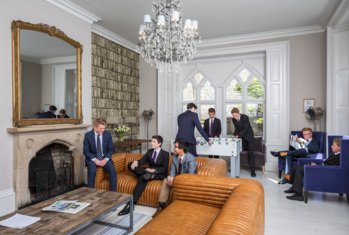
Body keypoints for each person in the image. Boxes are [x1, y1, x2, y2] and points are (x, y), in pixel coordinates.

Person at [118, 135, 170, 216]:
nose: (151, 143)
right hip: (147, 172)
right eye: (151, 141)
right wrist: (136, 163)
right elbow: (142, 161)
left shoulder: (165, 154)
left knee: (143, 177)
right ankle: (145, 173)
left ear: (159, 143)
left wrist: (154, 170)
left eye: (154, 142)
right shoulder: (150, 151)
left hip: (157, 174)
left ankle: (131, 204)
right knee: (130, 164)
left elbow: (164, 168)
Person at [153, 139, 197, 217]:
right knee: (166, 180)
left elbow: (191, 175)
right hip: (176, 179)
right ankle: (161, 206)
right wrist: (170, 177)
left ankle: (175, 211)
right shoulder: (175, 157)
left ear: (182, 149)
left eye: (176, 147)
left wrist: (176, 179)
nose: (174, 148)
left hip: (186, 181)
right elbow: (173, 171)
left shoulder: (191, 158)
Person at [83, 118, 117, 191]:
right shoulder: (88, 135)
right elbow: (86, 151)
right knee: (92, 171)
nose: (103, 130)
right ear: (95, 127)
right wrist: (95, 160)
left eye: (104, 128)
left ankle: (113, 193)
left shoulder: (107, 134)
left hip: (105, 157)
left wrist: (106, 159)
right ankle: (90, 193)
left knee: (113, 171)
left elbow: (111, 149)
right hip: (93, 158)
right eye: (101, 128)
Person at [231, 107, 256, 177]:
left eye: (235, 115)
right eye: (233, 115)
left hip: (249, 137)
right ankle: (234, 168)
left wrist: (238, 135)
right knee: (235, 151)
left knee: (250, 153)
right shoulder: (233, 119)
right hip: (241, 137)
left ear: (239, 113)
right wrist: (235, 134)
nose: (234, 117)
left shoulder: (245, 117)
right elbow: (237, 128)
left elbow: (246, 129)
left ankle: (253, 171)